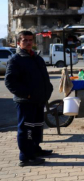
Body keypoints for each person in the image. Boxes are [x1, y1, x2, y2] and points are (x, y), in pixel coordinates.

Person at [5, 31, 54, 167]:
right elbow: (10, 82)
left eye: (30, 40)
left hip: (39, 100)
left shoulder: (36, 58)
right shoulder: (16, 59)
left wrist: (48, 90)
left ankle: (35, 150)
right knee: (26, 129)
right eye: (25, 40)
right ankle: (26, 157)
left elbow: (44, 78)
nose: (28, 42)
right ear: (19, 42)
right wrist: (26, 94)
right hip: (26, 101)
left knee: (37, 127)